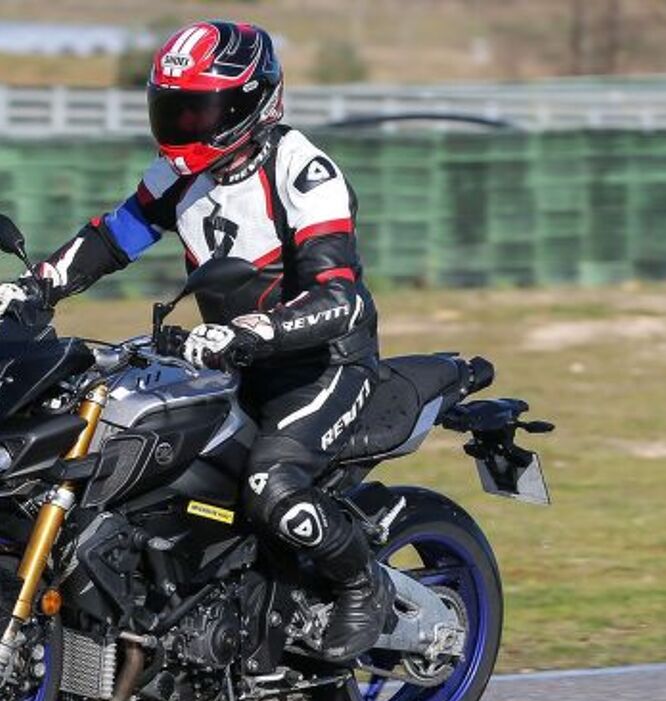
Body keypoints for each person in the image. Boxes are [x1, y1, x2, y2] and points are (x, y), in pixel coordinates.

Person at [0, 20, 393, 662]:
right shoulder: (180, 173)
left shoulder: (303, 172)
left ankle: (360, 584)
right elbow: (113, 237)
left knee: (271, 488)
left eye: (199, 109)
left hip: (321, 367)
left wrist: (255, 329)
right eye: (173, 108)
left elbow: (341, 299)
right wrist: (35, 288)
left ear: (250, 104)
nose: (183, 125)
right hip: (227, 359)